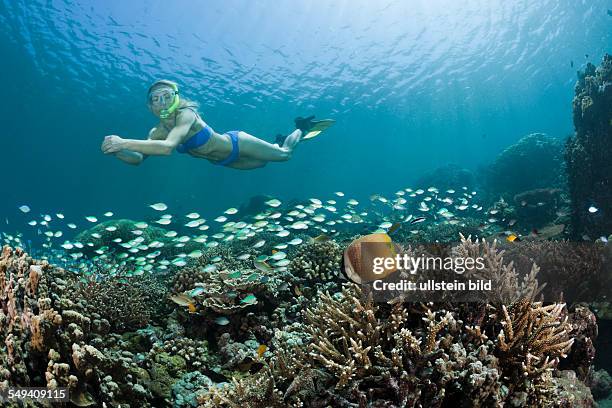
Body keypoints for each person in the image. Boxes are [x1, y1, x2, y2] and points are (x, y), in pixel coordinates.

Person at [101, 79, 334, 170]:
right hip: (223, 161)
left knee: (284, 156)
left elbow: (167, 147)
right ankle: (278, 140)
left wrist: (124, 141)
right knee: (263, 163)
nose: (162, 102)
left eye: (167, 95)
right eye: (155, 99)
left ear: (177, 97)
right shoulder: (156, 132)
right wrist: (118, 151)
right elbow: (138, 159)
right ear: (149, 106)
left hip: (236, 144)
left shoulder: (186, 114)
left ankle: (300, 127)